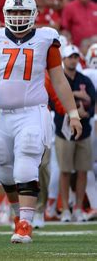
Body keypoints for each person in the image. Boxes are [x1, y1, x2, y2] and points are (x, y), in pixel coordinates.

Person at [0, 0, 82, 244]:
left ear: (34, 15)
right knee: (4, 169)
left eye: (23, 12)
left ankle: (26, 222)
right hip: (3, 114)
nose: (18, 17)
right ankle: (19, 216)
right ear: (5, 14)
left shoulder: (45, 39)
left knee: (26, 160)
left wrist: (73, 113)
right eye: (14, 12)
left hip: (32, 111)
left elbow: (59, 81)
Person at [54, 45, 95, 222]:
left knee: (82, 171)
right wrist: (77, 95)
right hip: (64, 131)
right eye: (70, 57)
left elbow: (93, 102)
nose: (73, 60)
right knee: (64, 171)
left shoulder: (85, 79)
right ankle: (64, 208)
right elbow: (54, 99)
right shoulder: (58, 78)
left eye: (75, 57)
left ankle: (78, 207)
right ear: (63, 59)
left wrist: (87, 112)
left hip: (84, 130)